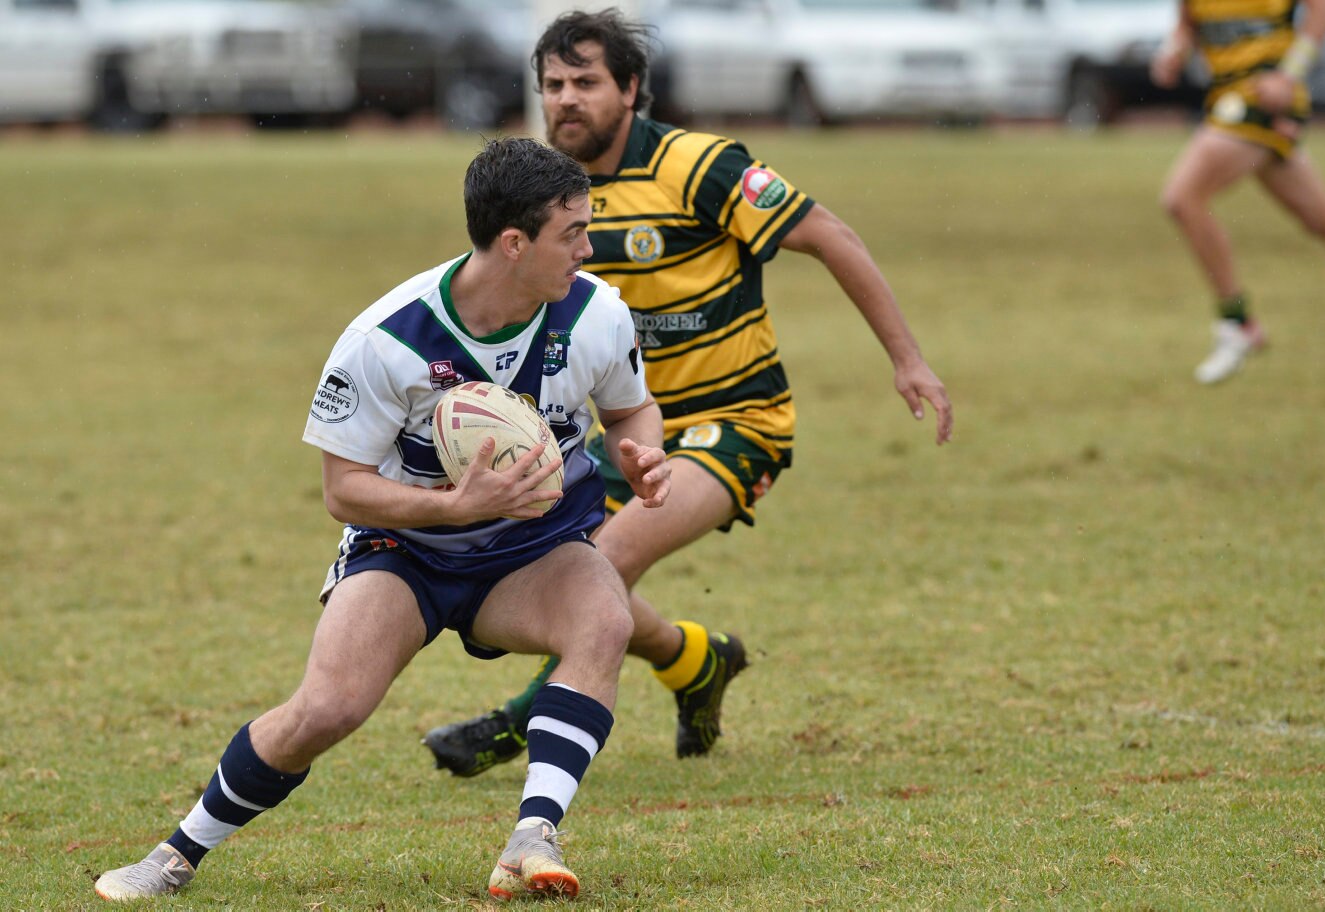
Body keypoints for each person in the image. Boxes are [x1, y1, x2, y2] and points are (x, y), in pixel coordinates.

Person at [93, 136, 670, 902]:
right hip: (408, 552)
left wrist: (641, 454)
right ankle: (176, 855)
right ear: (512, 243)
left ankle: (534, 832)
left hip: (537, 550)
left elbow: (633, 410)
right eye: (572, 233)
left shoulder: (596, 311)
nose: (586, 248)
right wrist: (451, 507)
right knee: (328, 708)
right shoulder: (387, 340)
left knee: (603, 619)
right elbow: (344, 490)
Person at [422, 8, 952, 778]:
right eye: (553, 85)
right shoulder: (542, 196)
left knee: (600, 562)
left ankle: (516, 726)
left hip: (735, 422)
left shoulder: (699, 167)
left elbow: (830, 235)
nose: (567, 100)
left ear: (631, 88)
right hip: (623, 432)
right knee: (523, 579)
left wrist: (908, 360)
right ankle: (692, 660)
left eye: (587, 83)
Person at [1151, 0, 1325, 384]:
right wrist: (1173, 52)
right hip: (1224, 101)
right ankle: (1239, 326)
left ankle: (1237, 323)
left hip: (1262, 103)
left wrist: (1289, 77)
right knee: (1322, 219)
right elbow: (1187, 25)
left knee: (1182, 198)